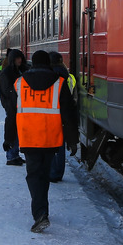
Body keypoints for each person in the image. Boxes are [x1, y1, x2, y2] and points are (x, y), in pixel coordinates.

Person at [15, 50, 78, 232]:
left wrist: (9, 137)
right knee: (44, 175)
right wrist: (72, 140)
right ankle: (42, 211)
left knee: (34, 175)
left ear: (32, 63)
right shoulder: (59, 84)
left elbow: (12, 113)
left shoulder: (20, 83)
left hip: (28, 137)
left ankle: (40, 213)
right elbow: (69, 114)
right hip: (51, 139)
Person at [48, 51, 76, 182]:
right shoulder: (69, 76)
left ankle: (53, 172)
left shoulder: (52, 76)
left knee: (51, 145)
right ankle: (58, 172)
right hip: (65, 112)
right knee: (60, 145)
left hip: (52, 112)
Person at [0, 49, 26, 165]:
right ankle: (11, 156)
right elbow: (7, 91)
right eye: (17, 58)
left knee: (17, 130)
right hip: (11, 105)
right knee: (12, 129)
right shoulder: (6, 73)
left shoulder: (19, 70)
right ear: (12, 59)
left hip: (19, 105)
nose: (20, 60)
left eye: (21, 58)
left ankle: (15, 154)